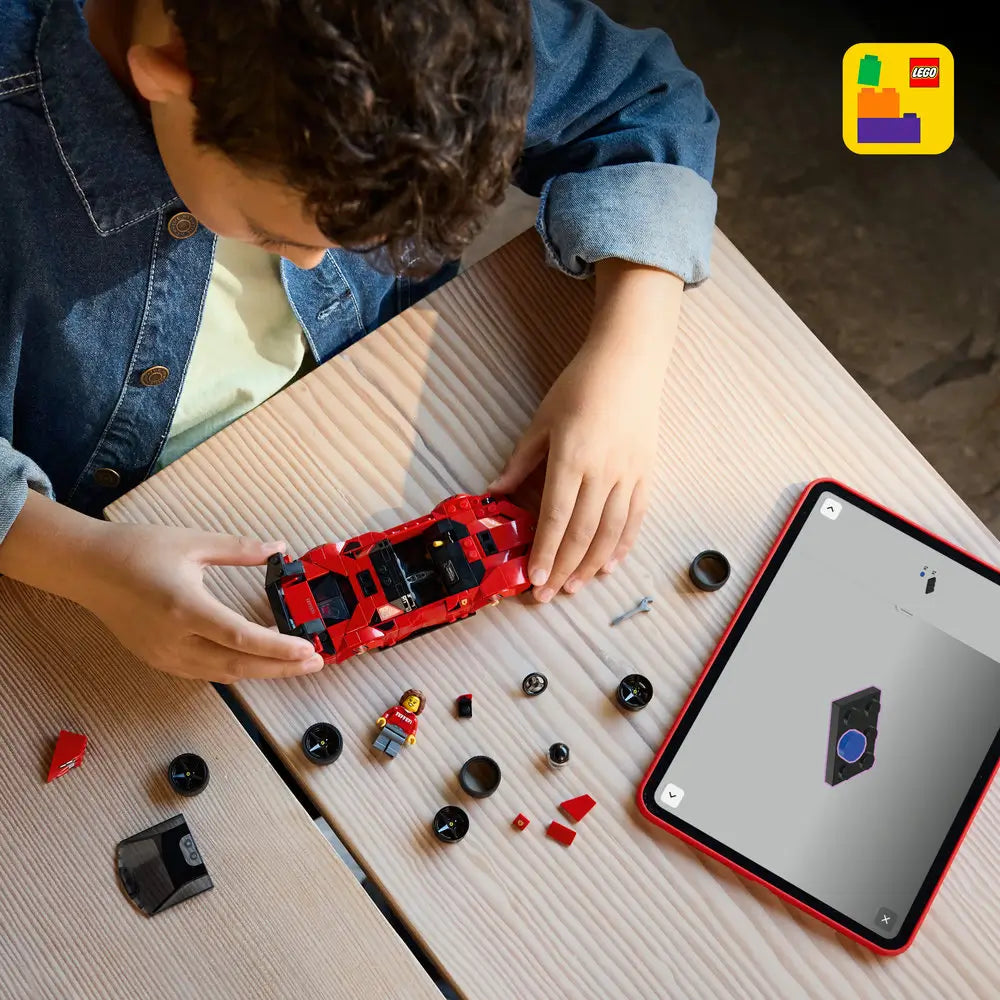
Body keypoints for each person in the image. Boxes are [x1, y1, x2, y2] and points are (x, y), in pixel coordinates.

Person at [0, 0, 718, 683]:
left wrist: (624, 364)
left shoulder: (431, 28)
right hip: (95, 554)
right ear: (166, 78)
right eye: (273, 233)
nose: (316, 263)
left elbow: (646, 98)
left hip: (369, 426)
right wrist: (78, 560)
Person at [374, 689, 425, 758]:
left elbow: (414, 729)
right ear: (405, 699)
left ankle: (391, 752)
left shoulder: (414, 719)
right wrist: (383, 718)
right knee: (384, 737)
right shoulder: (397, 709)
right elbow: (388, 713)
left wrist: (412, 736)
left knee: (395, 744)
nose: (411, 703)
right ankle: (379, 745)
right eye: (410, 700)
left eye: (414, 703)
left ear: (419, 707)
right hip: (389, 727)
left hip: (402, 734)